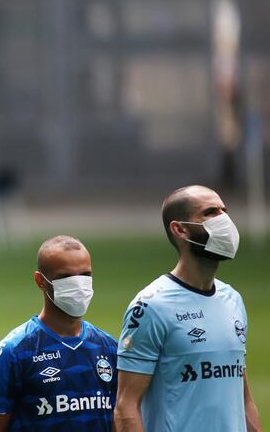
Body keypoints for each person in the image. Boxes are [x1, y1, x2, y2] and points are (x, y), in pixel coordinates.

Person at [114, 185, 262, 432]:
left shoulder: (232, 299)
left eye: (224, 211)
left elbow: (242, 397)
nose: (224, 219)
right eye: (210, 212)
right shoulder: (151, 306)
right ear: (179, 229)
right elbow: (126, 406)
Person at [0, 235, 118, 431]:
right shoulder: (14, 352)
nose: (78, 286)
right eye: (66, 277)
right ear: (40, 280)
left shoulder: (109, 347)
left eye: (85, 275)